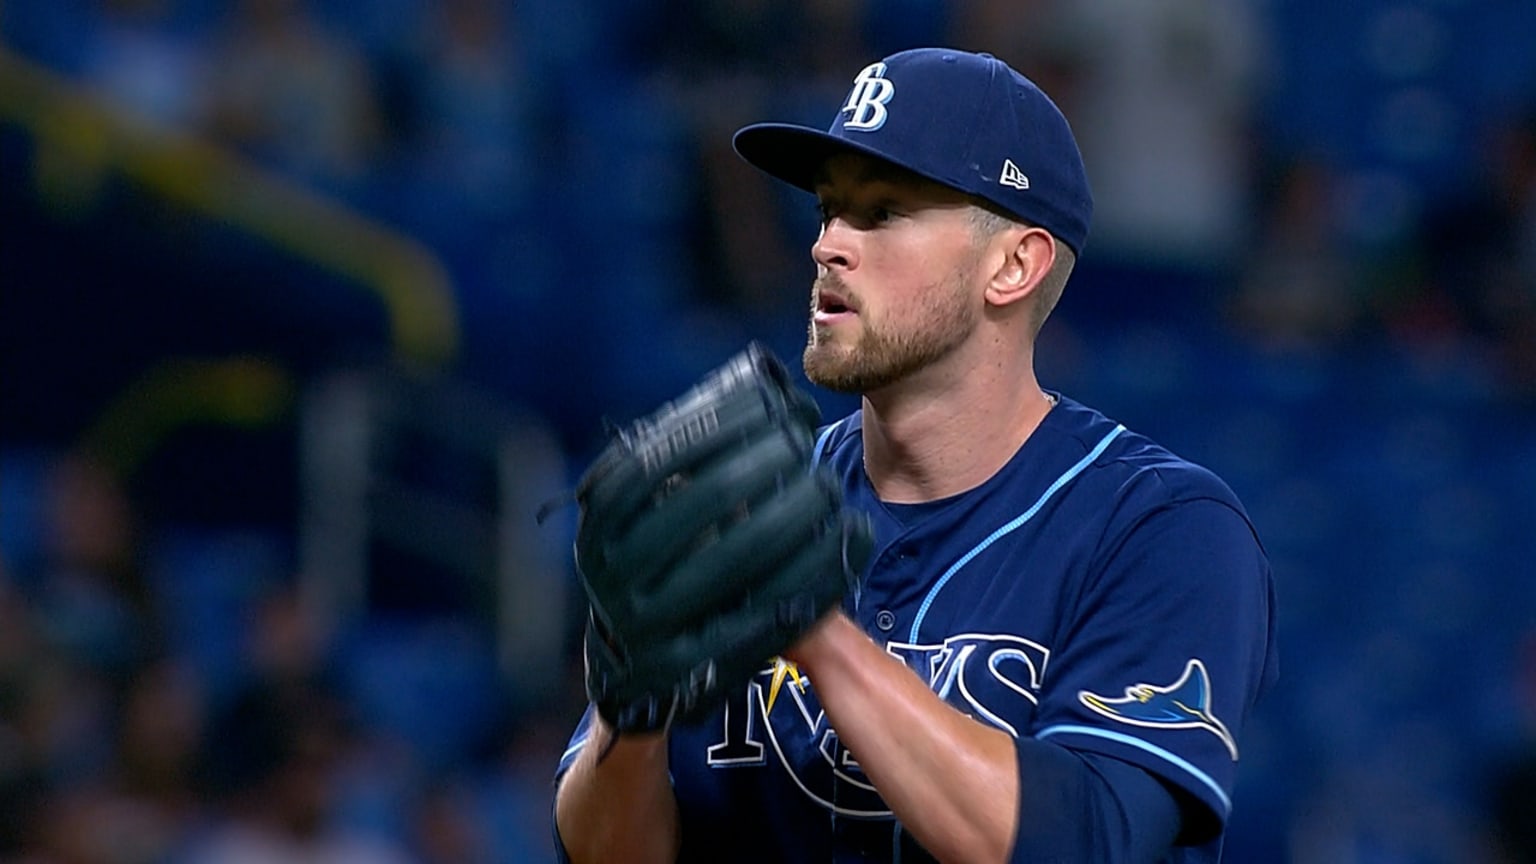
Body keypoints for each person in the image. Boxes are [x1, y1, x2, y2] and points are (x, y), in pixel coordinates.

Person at [552, 47, 1277, 863]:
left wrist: (814, 631)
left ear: (1012, 264)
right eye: (829, 210)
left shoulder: (1158, 528)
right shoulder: (750, 509)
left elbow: (1089, 842)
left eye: (881, 213)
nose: (828, 245)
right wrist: (627, 709)